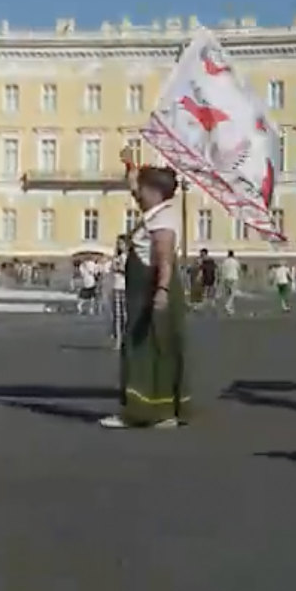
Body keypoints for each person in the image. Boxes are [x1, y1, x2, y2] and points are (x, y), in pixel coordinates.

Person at [105, 166, 188, 428]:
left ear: (153, 191)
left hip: (151, 291)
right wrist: (130, 166)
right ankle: (163, 412)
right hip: (145, 291)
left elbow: (164, 259)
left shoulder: (162, 220)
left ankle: (142, 412)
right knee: (157, 348)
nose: (136, 193)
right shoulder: (156, 213)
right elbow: (134, 188)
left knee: (146, 349)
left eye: (141, 189)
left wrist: (161, 291)